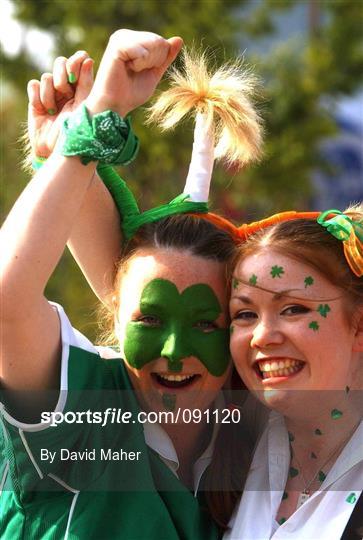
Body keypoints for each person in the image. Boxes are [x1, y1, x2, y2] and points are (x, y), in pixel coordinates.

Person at [0, 30, 263, 539]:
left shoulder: (259, 436)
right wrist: (88, 131)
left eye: (207, 322)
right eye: (149, 319)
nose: (174, 350)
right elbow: (7, 299)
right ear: (113, 309)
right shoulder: (85, 404)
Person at [224, 208, 363, 539]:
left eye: (294, 309)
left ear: (359, 326)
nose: (262, 336)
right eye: (244, 314)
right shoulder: (227, 440)